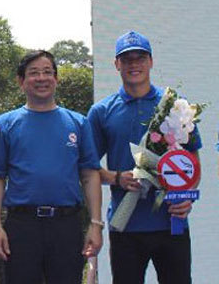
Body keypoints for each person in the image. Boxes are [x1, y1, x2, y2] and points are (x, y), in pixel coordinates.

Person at [87, 31, 201, 284]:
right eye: (126, 59)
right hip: (126, 225)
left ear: (151, 61)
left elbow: (192, 163)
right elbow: (88, 170)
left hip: (172, 222)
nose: (134, 64)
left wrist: (185, 196)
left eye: (140, 57)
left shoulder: (175, 107)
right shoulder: (101, 111)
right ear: (117, 64)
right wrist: (117, 177)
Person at [0, 50, 103, 284]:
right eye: (34, 73)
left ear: (56, 79)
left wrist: (96, 224)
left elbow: (90, 175)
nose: (42, 78)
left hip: (66, 225)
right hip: (21, 226)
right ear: (21, 82)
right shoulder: (5, 125)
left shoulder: (78, 123)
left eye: (48, 72)